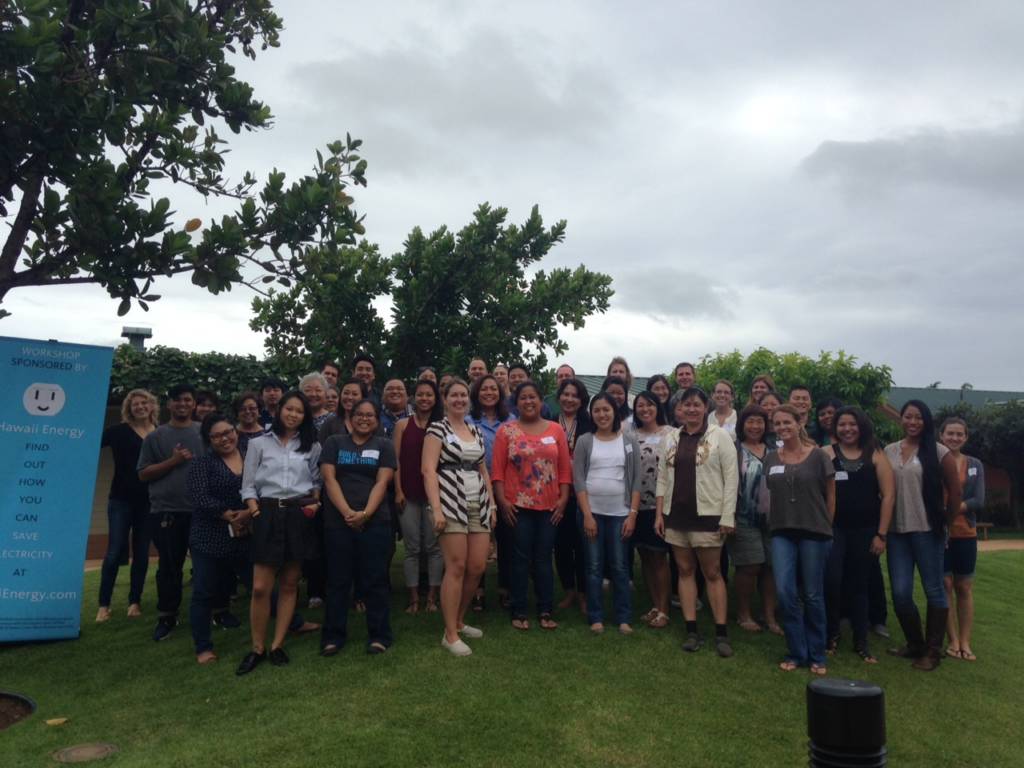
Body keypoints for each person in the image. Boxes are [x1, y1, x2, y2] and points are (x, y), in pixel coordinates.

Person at [237, 391, 322, 674]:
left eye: (299, 411)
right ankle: (257, 647)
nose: (293, 414)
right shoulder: (258, 443)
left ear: (305, 416)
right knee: (261, 587)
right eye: (289, 409)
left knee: (289, 583)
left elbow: (316, 481)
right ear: (279, 410)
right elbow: (248, 484)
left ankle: (277, 645)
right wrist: (254, 509)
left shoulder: (312, 446)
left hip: (298, 514)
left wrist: (314, 504)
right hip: (268, 513)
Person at [655, 387, 738, 657]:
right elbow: (662, 478)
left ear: (705, 407)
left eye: (696, 404)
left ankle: (721, 632)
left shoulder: (719, 436)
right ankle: (691, 629)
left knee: (712, 573)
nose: (691, 409)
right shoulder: (671, 438)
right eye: (686, 405)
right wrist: (659, 514)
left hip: (708, 515)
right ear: (680, 408)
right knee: (684, 570)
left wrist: (727, 516)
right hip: (676, 515)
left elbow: (731, 478)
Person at [883, 401, 962, 671]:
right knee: (901, 592)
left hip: (928, 531)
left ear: (926, 421)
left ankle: (933, 651)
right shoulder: (890, 450)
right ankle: (915, 644)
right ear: (901, 419)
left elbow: (955, 492)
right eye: (908, 417)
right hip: (896, 532)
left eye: (918, 417)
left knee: (934, 589)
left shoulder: (939, 452)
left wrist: (946, 523)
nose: (913, 422)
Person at [423, 379, 495, 656]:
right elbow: (428, 471)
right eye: (454, 395)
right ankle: (450, 634)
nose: (459, 399)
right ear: (445, 399)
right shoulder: (437, 429)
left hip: (478, 502)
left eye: (463, 395)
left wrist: (492, 506)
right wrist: (437, 509)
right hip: (450, 502)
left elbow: (483, 470)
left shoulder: (475, 430)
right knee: (457, 566)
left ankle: (459, 621)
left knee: (476, 566)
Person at [319, 399, 396, 656]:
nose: (364, 419)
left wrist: (365, 514)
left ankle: (379, 635)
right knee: (338, 580)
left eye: (370, 415)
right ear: (350, 418)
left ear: (376, 420)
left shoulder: (384, 445)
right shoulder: (334, 443)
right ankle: (333, 636)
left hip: (375, 521)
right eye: (359, 414)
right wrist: (347, 513)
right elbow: (329, 479)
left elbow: (382, 482)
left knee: (376, 579)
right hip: (338, 521)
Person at [492, 381, 572, 630]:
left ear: (541, 401)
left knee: (543, 558)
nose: (528, 402)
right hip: (517, 506)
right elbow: (497, 471)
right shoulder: (506, 431)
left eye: (533, 397)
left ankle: (545, 609)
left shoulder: (556, 430)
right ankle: (518, 610)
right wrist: (502, 501)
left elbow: (564, 470)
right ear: (516, 403)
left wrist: (563, 500)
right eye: (523, 398)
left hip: (550, 506)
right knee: (519, 558)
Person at [763, 404, 836, 675]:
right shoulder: (771, 459)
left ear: (799, 423)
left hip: (814, 531)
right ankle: (796, 651)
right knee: (785, 592)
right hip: (782, 531)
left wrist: (827, 526)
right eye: (777, 423)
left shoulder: (818, 456)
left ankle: (817, 654)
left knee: (813, 594)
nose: (782, 427)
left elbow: (831, 495)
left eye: (787, 422)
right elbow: (769, 494)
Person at [823, 406, 895, 663]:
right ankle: (831, 634)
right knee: (832, 580)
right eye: (842, 424)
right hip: (833, 530)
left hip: (866, 531)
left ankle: (861, 640)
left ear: (861, 425)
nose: (847, 429)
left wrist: (881, 534)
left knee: (860, 585)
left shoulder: (875, 453)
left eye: (852, 424)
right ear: (835, 428)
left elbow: (888, 495)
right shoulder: (826, 453)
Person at [137, 383, 204, 642]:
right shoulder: (155, 437)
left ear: (194, 404)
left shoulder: (203, 432)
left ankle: (218, 610)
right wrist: (173, 461)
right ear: (169, 404)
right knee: (169, 567)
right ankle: (167, 616)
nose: (182, 404)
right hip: (167, 511)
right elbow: (143, 474)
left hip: (202, 510)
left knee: (207, 565)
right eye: (177, 400)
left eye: (187, 400)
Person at [186, 413, 251, 664]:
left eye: (228, 432)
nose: (225, 439)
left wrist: (246, 514)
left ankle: (293, 623)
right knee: (204, 592)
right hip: (209, 536)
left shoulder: (250, 456)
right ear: (208, 440)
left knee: (259, 583)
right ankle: (203, 647)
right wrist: (228, 515)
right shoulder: (202, 464)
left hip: (245, 532)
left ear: (236, 431)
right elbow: (199, 496)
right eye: (217, 436)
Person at [574, 393, 640, 634]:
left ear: (615, 412)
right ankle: (596, 617)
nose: (602, 414)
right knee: (593, 566)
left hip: (620, 514)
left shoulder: (629, 441)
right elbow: (579, 480)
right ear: (591, 414)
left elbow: (636, 480)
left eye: (606, 410)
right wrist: (587, 515)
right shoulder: (585, 441)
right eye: (597, 410)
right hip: (592, 513)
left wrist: (632, 515)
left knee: (620, 566)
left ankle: (623, 617)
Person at [96, 389, 157, 623]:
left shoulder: (159, 433)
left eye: (144, 403)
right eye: (135, 404)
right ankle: (104, 605)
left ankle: (134, 602)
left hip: (149, 502)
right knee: (114, 552)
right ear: (129, 409)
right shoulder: (118, 432)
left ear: (151, 406)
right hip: (120, 500)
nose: (140, 407)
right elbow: (88, 443)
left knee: (141, 554)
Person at [393, 379, 444, 614]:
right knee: (412, 547)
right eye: (421, 394)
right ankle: (414, 597)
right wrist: (398, 490)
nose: (424, 399)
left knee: (434, 547)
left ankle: (432, 596)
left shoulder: (442, 426)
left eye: (429, 395)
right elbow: (395, 461)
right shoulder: (403, 425)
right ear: (414, 397)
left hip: (435, 495)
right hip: (409, 493)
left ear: (435, 399)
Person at [730, 405, 781, 635]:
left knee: (771, 566)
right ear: (742, 424)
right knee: (750, 565)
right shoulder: (735, 449)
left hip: (774, 518)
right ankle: (744, 613)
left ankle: (769, 616)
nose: (755, 426)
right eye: (750, 421)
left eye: (759, 421)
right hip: (744, 516)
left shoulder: (775, 449)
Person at [939, 417, 985, 662]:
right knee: (945, 585)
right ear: (941, 435)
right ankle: (953, 640)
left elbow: (979, 500)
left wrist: (952, 509)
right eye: (950, 433)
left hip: (966, 533)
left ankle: (966, 641)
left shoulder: (974, 464)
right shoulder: (934, 461)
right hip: (940, 534)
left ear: (965, 437)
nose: (954, 438)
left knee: (964, 587)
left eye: (959, 434)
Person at [630, 392, 673, 628]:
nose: (645, 409)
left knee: (659, 557)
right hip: (637, 505)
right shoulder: (630, 435)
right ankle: (655, 605)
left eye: (650, 405)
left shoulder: (670, 433)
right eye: (640, 405)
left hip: (661, 505)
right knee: (645, 555)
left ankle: (664, 609)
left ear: (658, 407)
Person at [470, 374, 512, 611]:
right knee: (479, 539)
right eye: (484, 389)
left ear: (500, 393)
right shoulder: (468, 420)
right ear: (477, 393)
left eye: (493, 389)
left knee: (506, 539)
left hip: (506, 486)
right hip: (475, 486)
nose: (489, 393)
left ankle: (505, 588)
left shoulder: (511, 421)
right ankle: (477, 590)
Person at [553, 377, 591, 612]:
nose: (569, 399)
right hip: (555, 493)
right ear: (559, 397)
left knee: (583, 545)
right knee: (562, 544)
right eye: (566, 394)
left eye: (574, 396)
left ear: (581, 400)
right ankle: (569, 590)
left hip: (583, 492)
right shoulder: (549, 422)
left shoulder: (589, 423)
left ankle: (584, 593)